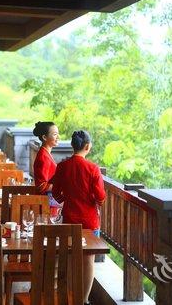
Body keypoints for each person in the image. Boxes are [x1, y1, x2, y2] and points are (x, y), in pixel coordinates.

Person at [52, 130, 106, 305]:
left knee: (68, 257)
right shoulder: (93, 168)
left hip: (69, 217)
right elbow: (101, 197)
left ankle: (67, 296)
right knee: (88, 259)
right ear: (87, 146)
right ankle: (83, 300)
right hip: (89, 221)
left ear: (73, 146)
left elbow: (56, 193)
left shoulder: (62, 166)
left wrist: (66, 198)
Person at [32, 121, 59, 194]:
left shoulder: (46, 153)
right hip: (45, 203)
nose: (58, 137)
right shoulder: (43, 157)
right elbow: (41, 186)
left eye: (58, 134)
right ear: (44, 137)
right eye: (55, 134)